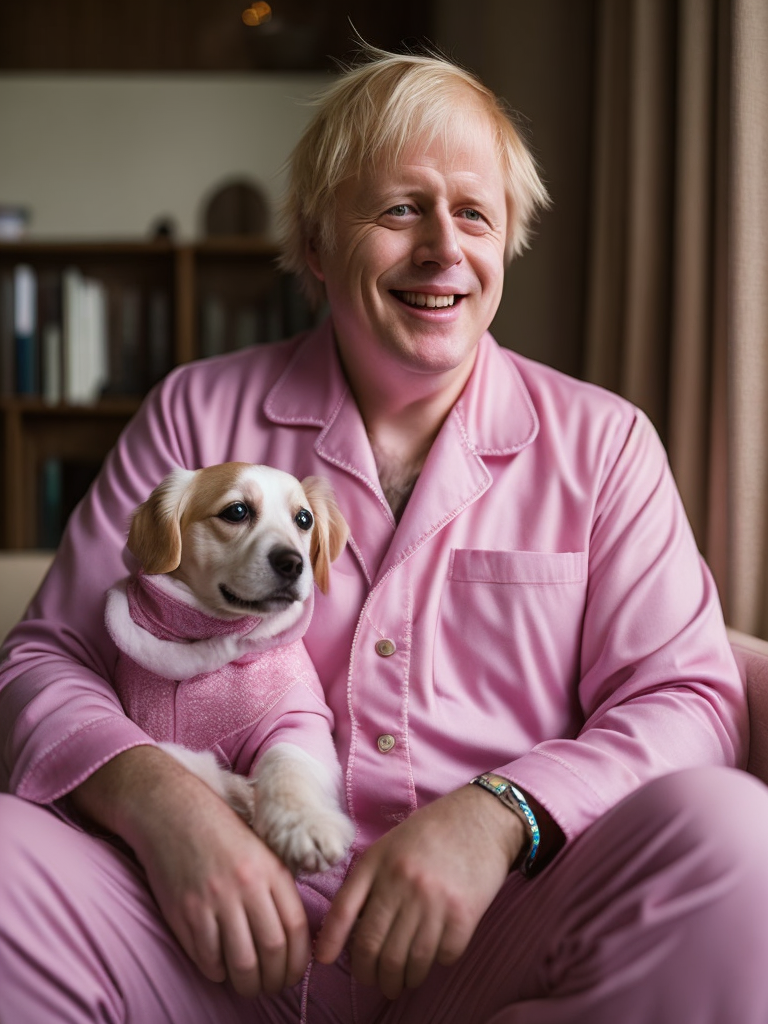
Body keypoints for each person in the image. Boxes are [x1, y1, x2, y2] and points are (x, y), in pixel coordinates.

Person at [2, 43, 768, 1024]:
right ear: (318, 245)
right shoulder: (194, 417)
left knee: (734, 834)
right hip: (205, 938)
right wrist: (163, 806)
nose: (444, 249)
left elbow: (689, 700)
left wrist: (505, 813)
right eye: (402, 208)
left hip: (497, 932)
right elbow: (43, 659)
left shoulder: (605, 444)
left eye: (474, 214)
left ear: (507, 241)